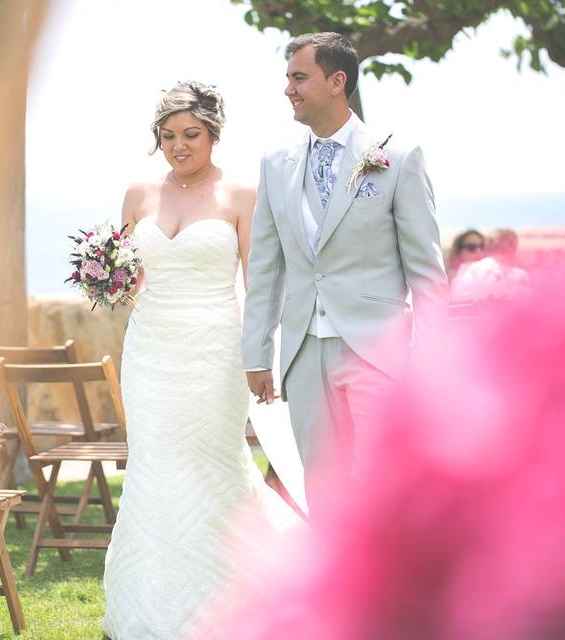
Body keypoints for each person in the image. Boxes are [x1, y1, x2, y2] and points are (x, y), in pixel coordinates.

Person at [102, 81, 297, 640]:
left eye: (190, 134)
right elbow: (127, 276)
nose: (178, 146)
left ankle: (240, 603)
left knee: (214, 466)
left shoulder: (241, 196)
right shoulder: (138, 194)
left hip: (215, 352)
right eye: (167, 136)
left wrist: (260, 359)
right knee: (153, 468)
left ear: (213, 133)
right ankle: (150, 609)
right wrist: (106, 278)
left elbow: (258, 285)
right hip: (149, 352)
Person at [241, 32, 448, 512]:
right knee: (324, 487)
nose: (288, 89)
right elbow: (266, 265)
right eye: (288, 78)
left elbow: (426, 268)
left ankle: (399, 584)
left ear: (337, 81)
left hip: (378, 348)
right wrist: (257, 352)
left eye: (299, 77)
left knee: (387, 484)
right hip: (304, 352)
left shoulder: (398, 156)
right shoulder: (276, 163)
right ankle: (344, 585)